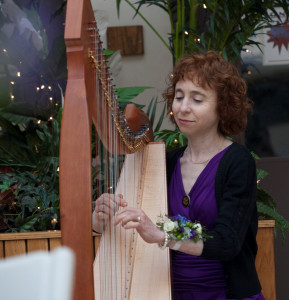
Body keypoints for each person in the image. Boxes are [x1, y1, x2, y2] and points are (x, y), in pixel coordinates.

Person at [93, 50, 265, 300]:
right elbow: (138, 226)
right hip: (170, 291)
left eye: (197, 99)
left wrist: (163, 235)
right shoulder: (166, 163)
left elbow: (227, 242)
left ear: (222, 106)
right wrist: (102, 220)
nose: (183, 108)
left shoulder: (238, 162)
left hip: (226, 293)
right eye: (179, 96)